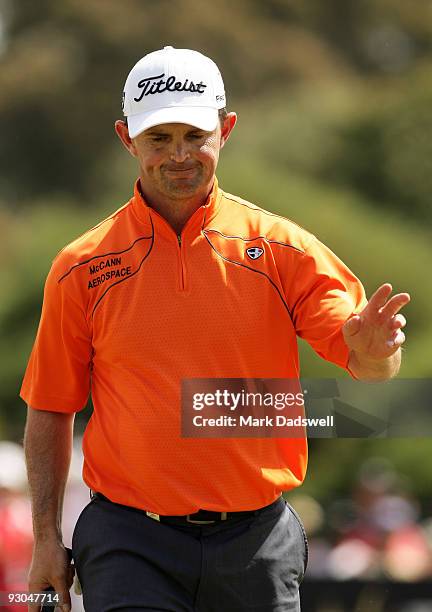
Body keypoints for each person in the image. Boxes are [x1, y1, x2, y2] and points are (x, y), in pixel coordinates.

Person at [21, 46, 410, 612]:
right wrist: (45, 539)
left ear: (225, 130)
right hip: (130, 541)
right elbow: (50, 406)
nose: (179, 155)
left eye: (194, 135)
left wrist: (377, 353)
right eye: (159, 138)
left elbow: (370, 364)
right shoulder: (80, 267)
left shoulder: (283, 250)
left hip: (257, 542)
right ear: (126, 137)